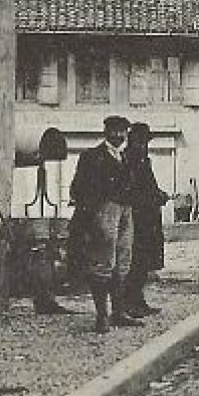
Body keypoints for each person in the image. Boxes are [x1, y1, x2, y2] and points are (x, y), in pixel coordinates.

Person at [69, 115, 141, 332]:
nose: (119, 136)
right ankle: (102, 316)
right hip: (104, 210)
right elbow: (79, 188)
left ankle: (118, 312)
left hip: (125, 211)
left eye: (123, 132)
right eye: (115, 131)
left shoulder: (128, 157)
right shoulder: (92, 157)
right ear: (106, 132)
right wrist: (91, 216)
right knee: (103, 263)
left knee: (122, 261)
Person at [120, 123, 169, 318]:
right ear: (133, 141)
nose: (144, 145)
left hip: (148, 220)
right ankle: (128, 303)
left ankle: (138, 300)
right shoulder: (127, 161)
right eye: (140, 141)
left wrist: (159, 194)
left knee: (144, 263)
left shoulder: (144, 161)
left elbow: (150, 187)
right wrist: (154, 198)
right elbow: (131, 192)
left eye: (145, 142)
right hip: (135, 220)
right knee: (133, 263)